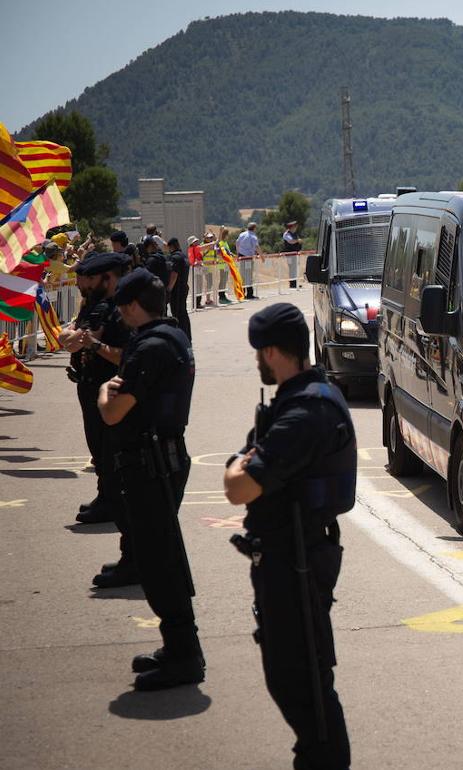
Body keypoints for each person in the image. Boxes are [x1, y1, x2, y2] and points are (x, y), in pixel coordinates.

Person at [223, 303, 354, 769]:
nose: (257, 359)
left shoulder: (305, 411)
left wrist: (241, 465)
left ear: (274, 351)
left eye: (260, 351)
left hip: (296, 559)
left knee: (303, 682)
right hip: (285, 554)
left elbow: (238, 485)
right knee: (290, 675)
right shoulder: (297, 399)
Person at [97, 268, 204, 690]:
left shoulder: (151, 348)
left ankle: (184, 655)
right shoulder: (173, 336)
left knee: (159, 564)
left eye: (123, 308)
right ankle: (176, 646)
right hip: (162, 458)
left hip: (149, 463)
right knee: (161, 557)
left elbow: (113, 411)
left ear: (130, 306)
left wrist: (107, 389)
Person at [58, 251, 138, 585]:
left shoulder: (116, 311)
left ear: (107, 278)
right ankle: (106, 498)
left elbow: (92, 344)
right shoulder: (92, 306)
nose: (81, 283)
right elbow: (66, 340)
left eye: (87, 278)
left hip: (110, 390)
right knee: (99, 451)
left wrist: (85, 341)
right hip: (89, 384)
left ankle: (116, 513)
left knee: (111, 456)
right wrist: (78, 340)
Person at [166, 238, 192, 343]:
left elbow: (174, 274)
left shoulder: (175, 258)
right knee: (183, 313)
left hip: (177, 290)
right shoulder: (183, 256)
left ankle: (180, 337)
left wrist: (169, 288)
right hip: (183, 288)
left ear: (171, 246)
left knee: (177, 313)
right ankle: (187, 336)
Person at [236, 222, 260, 299]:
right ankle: (249, 294)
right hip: (248, 258)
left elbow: (237, 243)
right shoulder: (253, 236)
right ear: (254, 228)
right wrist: (262, 256)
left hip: (241, 256)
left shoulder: (242, 234)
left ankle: (242, 293)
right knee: (248, 276)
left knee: (242, 275)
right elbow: (257, 247)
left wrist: (238, 253)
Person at [281, 221, 302, 289]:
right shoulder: (286, 234)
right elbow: (291, 241)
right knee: (291, 268)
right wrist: (298, 241)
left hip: (294, 254)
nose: (296, 228)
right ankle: (292, 284)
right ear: (291, 227)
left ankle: (295, 283)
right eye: (295, 226)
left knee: (295, 269)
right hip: (289, 254)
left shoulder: (294, 234)